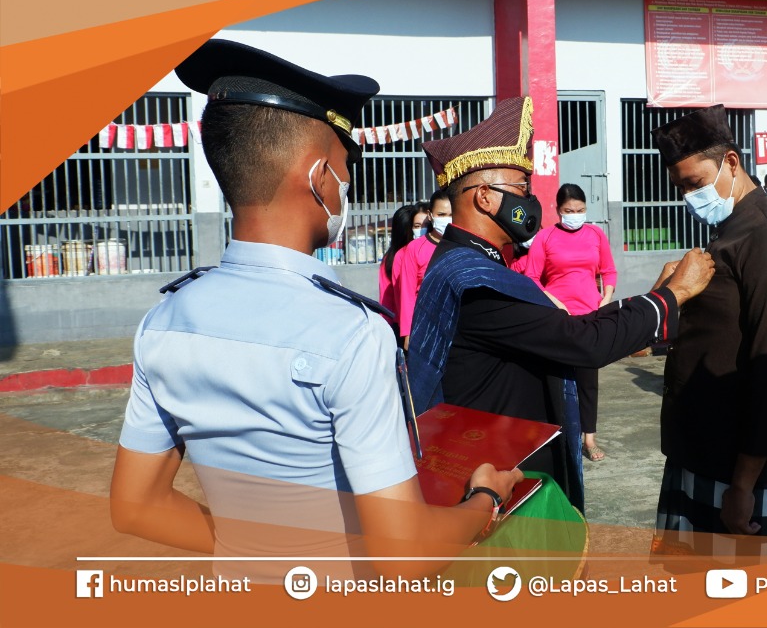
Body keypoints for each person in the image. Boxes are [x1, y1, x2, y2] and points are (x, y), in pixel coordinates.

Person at [109, 39, 524, 581]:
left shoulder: (165, 320)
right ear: (319, 177)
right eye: (346, 166)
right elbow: (404, 554)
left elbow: (135, 506)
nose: (348, 183)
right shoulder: (351, 332)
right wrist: (486, 500)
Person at [407, 97, 713, 512]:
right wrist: (674, 295)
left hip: (495, 454)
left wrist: (653, 298)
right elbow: (582, 340)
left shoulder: (467, 263)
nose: (529, 201)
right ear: (483, 197)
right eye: (521, 189)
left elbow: (566, 327)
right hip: (498, 477)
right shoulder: (475, 281)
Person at [652, 104, 767, 544]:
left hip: (746, 470)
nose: (688, 196)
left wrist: (743, 484)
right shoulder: (731, 231)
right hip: (703, 450)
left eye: (695, 183)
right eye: (680, 187)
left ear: (732, 163)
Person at [520, 183, 619, 462]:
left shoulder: (595, 234)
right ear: (558, 210)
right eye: (569, 210)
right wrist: (554, 302)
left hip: (591, 315)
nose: (575, 215)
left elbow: (608, 271)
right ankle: (562, 434)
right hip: (558, 316)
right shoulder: (545, 238)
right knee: (558, 377)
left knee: (588, 379)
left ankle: (589, 437)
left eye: (580, 210)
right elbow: (531, 278)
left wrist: (606, 297)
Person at [392, 191, 452, 347]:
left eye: (451, 214)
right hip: (424, 323)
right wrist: (407, 332)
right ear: (430, 216)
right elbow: (407, 292)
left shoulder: (461, 244)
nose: (446, 219)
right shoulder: (414, 249)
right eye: (441, 214)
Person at [379, 202, 430, 328]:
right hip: (404, 324)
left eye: (426, 225)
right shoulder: (397, 257)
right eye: (417, 226)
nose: (422, 229)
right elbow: (389, 300)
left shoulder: (437, 251)